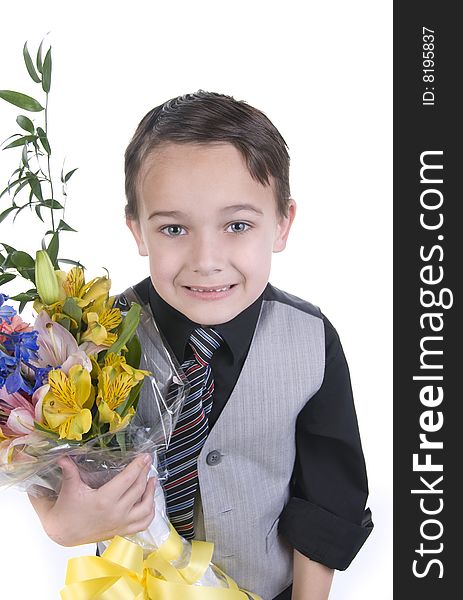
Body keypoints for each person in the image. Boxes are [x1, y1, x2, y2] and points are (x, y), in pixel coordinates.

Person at [29, 91, 373, 600]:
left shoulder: (310, 340)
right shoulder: (91, 336)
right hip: (129, 587)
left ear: (281, 224)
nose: (206, 259)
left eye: (237, 225)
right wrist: (56, 523)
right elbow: (43, 454)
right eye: (173, 228)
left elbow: (328, 497)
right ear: (138, 231)